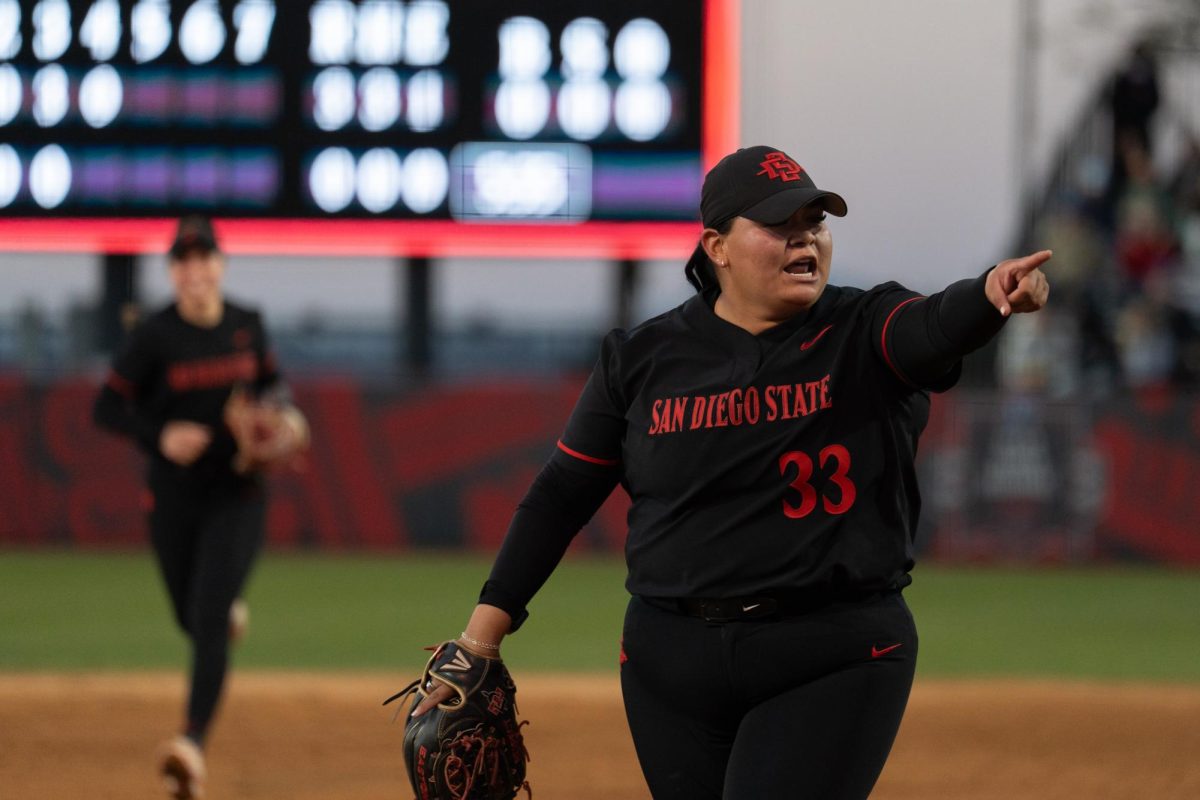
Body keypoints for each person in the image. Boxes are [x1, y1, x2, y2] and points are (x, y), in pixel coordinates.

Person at [411, 145, 1050, 799]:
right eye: (780, 223)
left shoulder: (863, 331)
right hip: (669, 665)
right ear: (717, 246)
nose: (805, 236)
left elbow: (931, 327)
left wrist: (988, 296)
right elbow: (563, 493)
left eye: (815, 222)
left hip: (828, 654)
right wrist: (481, 637)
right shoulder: (642, 360)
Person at [93, 215, 309, 800]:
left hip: (237, 493)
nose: (194, 270)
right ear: (172, 272)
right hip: (173, 496)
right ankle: (221, 616)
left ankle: (190, 745)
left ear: (220, 265)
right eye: (182, 261)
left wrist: (283, 417)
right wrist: (159, 435)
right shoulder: (154, 337)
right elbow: (107, 408)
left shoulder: (247, 325)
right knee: (191, 618)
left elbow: (274, 388)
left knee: (208, 621)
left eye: (203, 258)